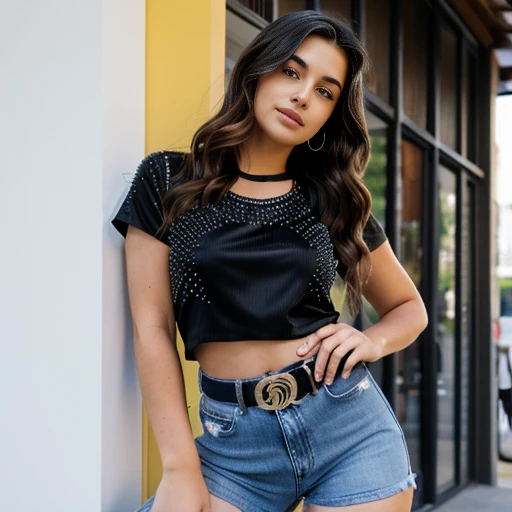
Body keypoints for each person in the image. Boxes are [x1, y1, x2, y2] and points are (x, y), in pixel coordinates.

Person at [111, 10, 427, 512]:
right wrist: (178, 468)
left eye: (326, 91)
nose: (303, 95)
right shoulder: (169, 179)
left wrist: (368, 340)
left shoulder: (333, 198)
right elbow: (151, 328)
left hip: (348, 427)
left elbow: (410, 308)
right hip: (233, 448)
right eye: (292, 71)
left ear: (330, 115)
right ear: (258, 71)